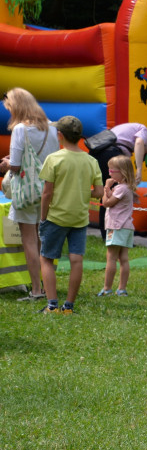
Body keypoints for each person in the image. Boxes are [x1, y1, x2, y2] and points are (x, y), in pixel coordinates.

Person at [36, 116, 104, 314]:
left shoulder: (54, 159)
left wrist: (43, 217)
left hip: (55, 217)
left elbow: (47, 193)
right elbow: (99, 192)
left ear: (60, 135)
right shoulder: (91, 161)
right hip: (80, 219)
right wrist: (82, 190)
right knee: (76, 260)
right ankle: (69, 307)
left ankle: (52, 305)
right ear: (79, 137)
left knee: (47, 259)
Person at [1, 87, 59, 301]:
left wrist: (6, 163)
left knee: (29, 240)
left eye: (9, 107)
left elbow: (15, 166)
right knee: (43, 238)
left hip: (26, 191)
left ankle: (36, 290)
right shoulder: (52, 127)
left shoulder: (20, 130)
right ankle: (47, 285)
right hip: (48, 189)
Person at [97, 155, 139, 297]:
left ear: (122, 172)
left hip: (117, 226)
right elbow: (111, 199)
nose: (109, 173)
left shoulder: (120, 188)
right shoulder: (125, 188)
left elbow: (107, 203)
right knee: (123, 258)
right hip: (126, 226)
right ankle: (121, 289)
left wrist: (106, 187)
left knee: (111, 258)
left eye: (112, 171)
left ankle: (107, 288)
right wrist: (109, 192)